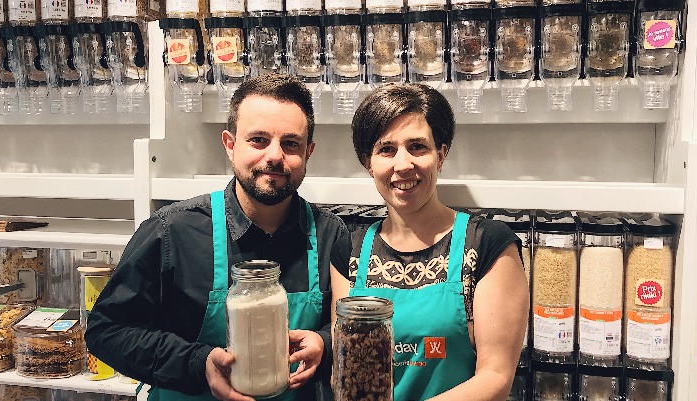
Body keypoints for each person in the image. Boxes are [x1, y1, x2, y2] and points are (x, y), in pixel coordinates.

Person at [85, 74, 348, 401]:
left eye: (291, 144)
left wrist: (324, 342)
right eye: (258, 140)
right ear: (230, 145)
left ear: (308, 152)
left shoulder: (330, 234)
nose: (274, 156)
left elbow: (347, 326)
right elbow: (106, 331)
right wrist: (196, 363)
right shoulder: (171, 232)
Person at [331, 83, 529, 401]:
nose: (403, 164)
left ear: (441, 155)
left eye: (417, 147)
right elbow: (347, 371)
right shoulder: (349, 252)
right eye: (386, 150)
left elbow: (495, 377)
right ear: (369, 163)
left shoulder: (488, 244)